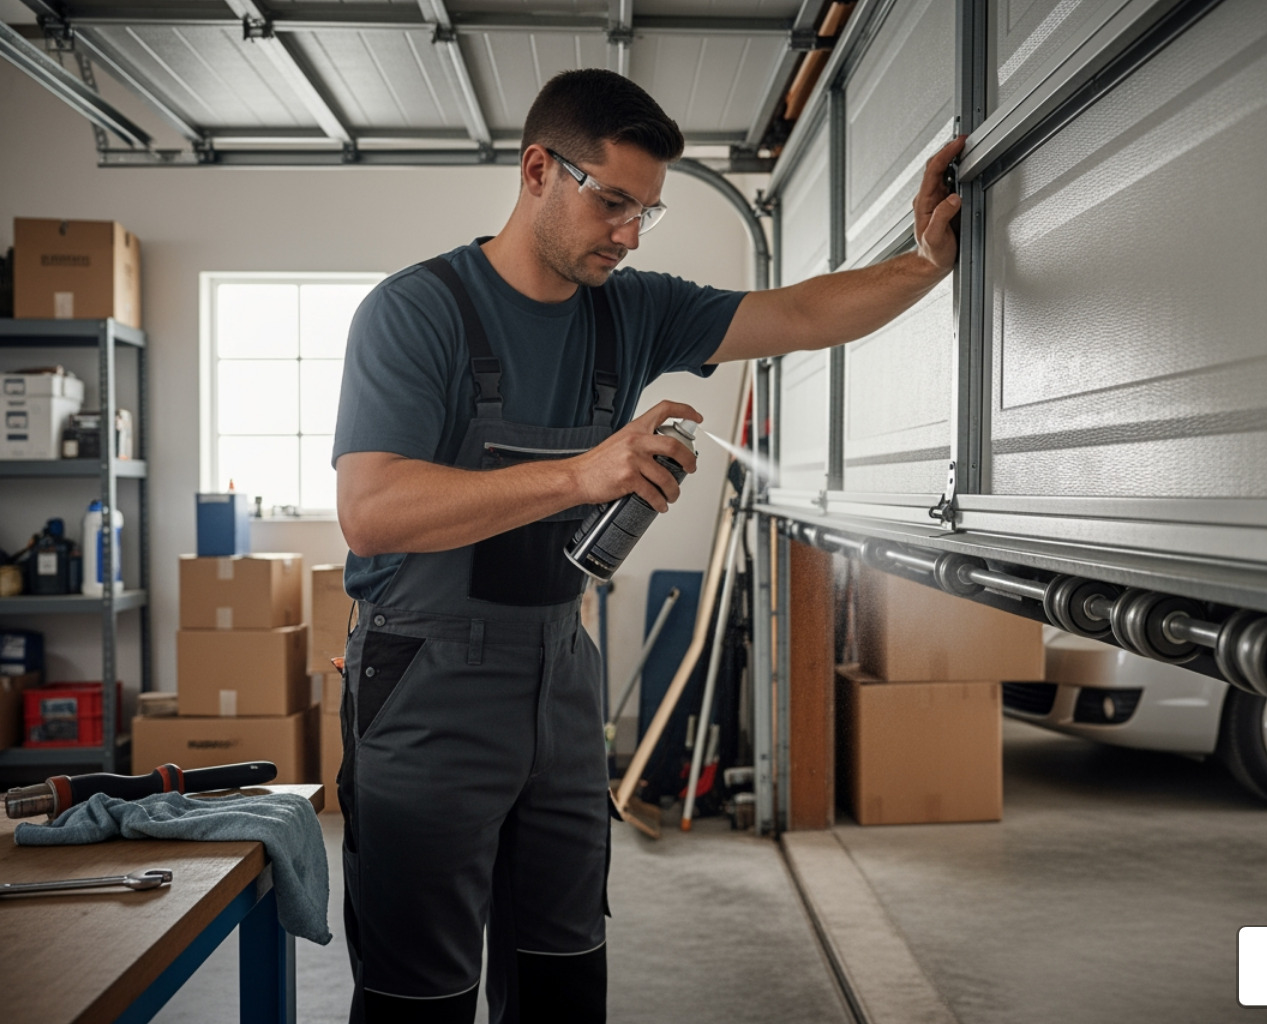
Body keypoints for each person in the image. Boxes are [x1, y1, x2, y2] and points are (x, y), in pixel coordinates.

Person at [332, 68, 963, 1024]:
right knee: (422, 992)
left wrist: (922, 264)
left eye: (648, 213)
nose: (629, 234)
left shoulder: (630, 309)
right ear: (538, 169)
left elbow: (795, 315)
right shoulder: (414, 313)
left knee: (564, 970)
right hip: (423, 681)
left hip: (559, 670)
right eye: (614, 202)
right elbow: (372, 508)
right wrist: (585, 473)